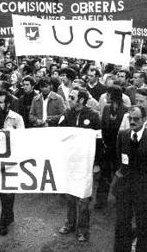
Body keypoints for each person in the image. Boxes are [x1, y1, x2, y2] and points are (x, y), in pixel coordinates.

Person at [112, 105, 147, 252]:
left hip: (144, 189)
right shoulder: (122, 135)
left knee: (143, 224)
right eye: (130, 119)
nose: (132, 121)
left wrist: (145, 180)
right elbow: (119, 160)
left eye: (136, 119)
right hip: (125, 187)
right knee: (122, 223)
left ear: (144, 119)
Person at [57, 88, 101, 242]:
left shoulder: (94, 116)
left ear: (81, 100)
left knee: (83, 200)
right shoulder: (67, 114)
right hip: (70, 162)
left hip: (86, 164)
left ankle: (83, 230)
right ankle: (69, 223)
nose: (68, 99)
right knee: (70, 196)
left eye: (72, 97)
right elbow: (59, 135)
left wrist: (97, 163)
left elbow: (99, 142)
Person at [0, 91, 24, 236]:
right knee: (2, 190)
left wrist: (11, 133)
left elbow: (23, 139)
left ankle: (4, 219)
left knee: (8, 190)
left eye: (1, 102)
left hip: (11, 160)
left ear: (8, 104)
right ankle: (9, 214)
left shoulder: (17, 119)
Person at [97, 85, 129, 209]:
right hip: (107, 147)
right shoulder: (106, 108)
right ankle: (101, 201)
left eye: (108, 94)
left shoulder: (126, 110)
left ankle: (120, 199)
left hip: (119, 148)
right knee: (104, 175)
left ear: (114, 95)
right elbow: (103, 126)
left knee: (120, 174)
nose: (106, 97)